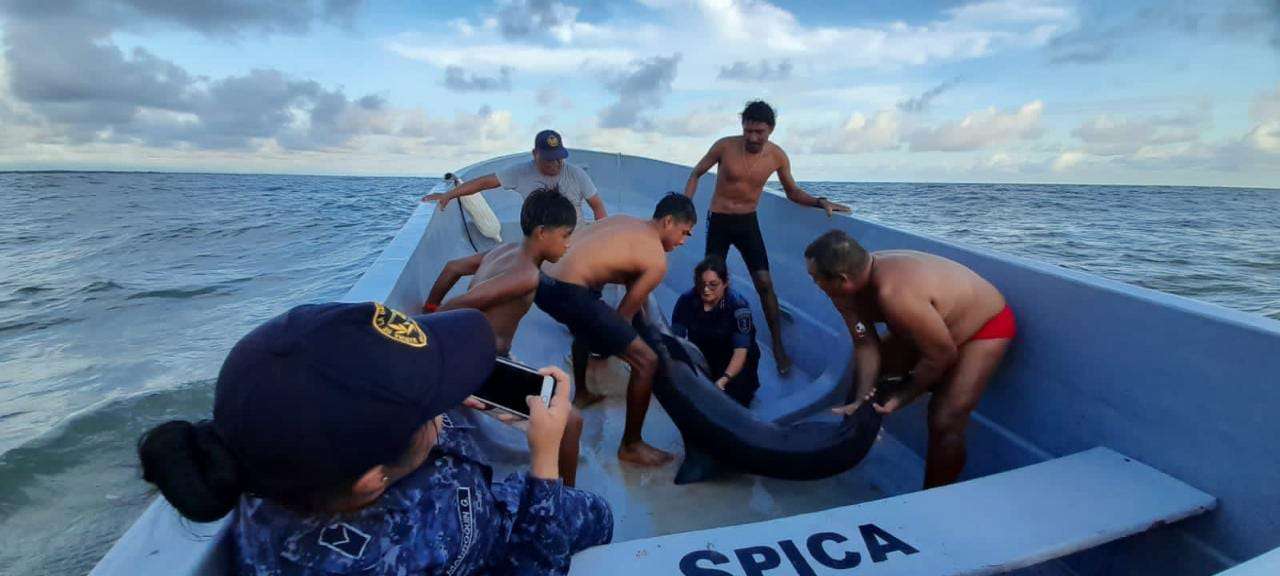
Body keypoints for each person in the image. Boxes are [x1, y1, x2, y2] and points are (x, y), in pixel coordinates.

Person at [137, 302, 612, 575]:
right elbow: (532, 568)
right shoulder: (400, 553)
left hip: (463, 494)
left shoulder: (269, 455)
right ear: (371, 480)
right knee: (597, 514)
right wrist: (544, 461)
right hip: (498, 544)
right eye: (430, 411)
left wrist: (441, 391)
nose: (439, 413)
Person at [803, 230, 1016, 488]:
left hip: (983, 328)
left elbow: (942, 355)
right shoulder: (842, 291)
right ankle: (847, 444)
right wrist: (861, 398)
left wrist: (903, 396)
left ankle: (934, 496)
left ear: (842, 279)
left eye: (815, 278)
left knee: (944, 419)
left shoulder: (895, 295)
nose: (814, 283)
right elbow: (865, 344)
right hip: (926, 328)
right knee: (869, 377)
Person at [422, 188, 588, 486]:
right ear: (541, 233)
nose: (568, 244)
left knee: (560, 404)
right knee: (572, 421)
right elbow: (455, 307)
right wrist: (429, 327)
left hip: (477, 356)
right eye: (565, 235)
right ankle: (564, 500)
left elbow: (452, 268)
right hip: (482, 367)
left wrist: (429, 306)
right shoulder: (526, 275)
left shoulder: (505, 250)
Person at [683, 100, 851, 376]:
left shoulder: (777, 156)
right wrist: (685, 208)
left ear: (770, 130)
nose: (752, 137)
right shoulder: (724, 146)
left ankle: (778, 346)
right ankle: (701, 340)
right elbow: (696, 173)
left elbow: (792, 192)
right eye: (748, 131)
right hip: (720, 221)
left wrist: (821, 202)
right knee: (710, 282)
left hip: (748, 223)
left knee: (764, 282)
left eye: (759, 132)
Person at [534, 193, 697, 467]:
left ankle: (583, 392)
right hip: (570, 292)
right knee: (647, 361)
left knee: (587, 314)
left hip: (543, 281)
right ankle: (631, 445)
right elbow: (624, 315)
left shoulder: (622, 220)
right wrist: (612, 346)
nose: (682, 242)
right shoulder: (656, 259)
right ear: (668, 221)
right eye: (684, 233)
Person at [421, 130, 607, 228]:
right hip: (541, 240)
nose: (555, 164)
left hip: (576, 234)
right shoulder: (520, 172)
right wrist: (449, 195)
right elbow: (484, 182)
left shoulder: (576, 174)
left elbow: (597, 206)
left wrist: (601, 234)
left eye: (559, 158)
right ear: (535, 154)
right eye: (549, 159)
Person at [671, 255, 761, 407]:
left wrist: (725, 378)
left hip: (733, 358)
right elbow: (676, 340)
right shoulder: (686, 300)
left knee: (734, 401)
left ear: (725, 283)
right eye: (701, 284)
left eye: (713, 284)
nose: (706, 290)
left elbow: (741, 352)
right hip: (703, 354)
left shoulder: (738, 306)